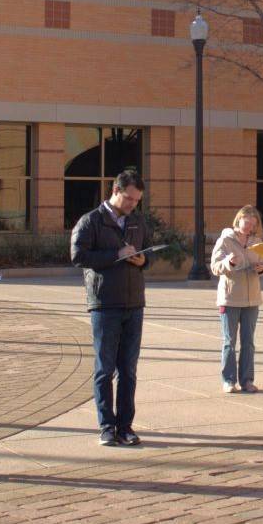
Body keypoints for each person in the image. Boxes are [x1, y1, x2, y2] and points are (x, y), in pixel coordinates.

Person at [71, 170, 152, 447]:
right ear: (115, 191)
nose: (132, 205)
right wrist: (115, 255)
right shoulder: (91, 221)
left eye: (137, 200)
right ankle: (106, 427)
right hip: (105, 303)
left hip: (134, 302)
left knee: (128, 369)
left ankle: (126, 426)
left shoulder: (137, 221)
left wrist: (142, 261)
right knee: (105, 368)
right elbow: (78, 256)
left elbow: (148, 252)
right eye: (129, 198)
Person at [210, 205, 263, 394]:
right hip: (230, 298)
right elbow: (215, 267)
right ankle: (228, 380)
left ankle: (247, 381)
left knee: (248, 342)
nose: (249, 227)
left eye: (253, 224)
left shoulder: (257, 242)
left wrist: (262, 269)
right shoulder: (225, 240)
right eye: (247, 222)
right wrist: (229, 262)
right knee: (229, 341)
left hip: (252, 300)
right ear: (239, 219)